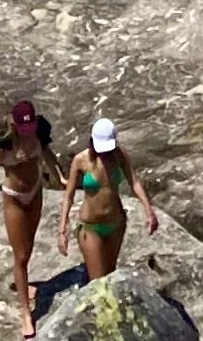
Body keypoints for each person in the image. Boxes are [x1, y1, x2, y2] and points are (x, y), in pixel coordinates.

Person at [0, 100, 64, 338]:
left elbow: (47, 154)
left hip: (35, 191)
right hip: (14, 197)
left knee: (30, 246)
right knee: (21, 255)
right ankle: (26, 312)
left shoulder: (38, 133)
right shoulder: (3, 143)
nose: (27, 131)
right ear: (13, 122)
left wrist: (60, 177)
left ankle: (25, 286)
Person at [56, 118, 157, 278]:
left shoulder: (119, 155)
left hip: (116, 224)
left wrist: (149, 211)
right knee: (98, 282)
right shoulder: (81, 160)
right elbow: (69, 195)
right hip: (91, 227)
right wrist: (62, 230)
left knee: (110, 277)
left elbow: (134, 182)